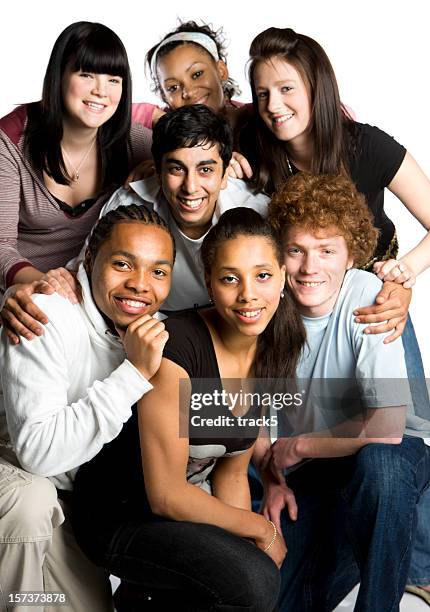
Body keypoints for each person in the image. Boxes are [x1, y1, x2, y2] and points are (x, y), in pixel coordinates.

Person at [72, 207, 306, 611]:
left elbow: (232, 472)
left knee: (255, 572)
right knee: (252, 579)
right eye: (230, 278)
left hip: (180, 515)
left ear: (283, 276)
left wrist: (250, 546)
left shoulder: (275, 347)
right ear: (209, 284)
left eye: (263, 275)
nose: (249, 293)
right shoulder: (178, 348)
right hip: (121, 517)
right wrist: (260, 529)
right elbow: (165, 495)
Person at [261, 173, 430, 611]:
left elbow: (389, 425)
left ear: (351, 254)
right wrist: (270, 473)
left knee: (381, 466)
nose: (309, 267)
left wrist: (300, 445)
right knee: (284, 600)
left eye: (326, 251)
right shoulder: (263, 300)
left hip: (382, 461)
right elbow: (248, 413)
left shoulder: (370, 297)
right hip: (313, 476)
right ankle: (361, 545)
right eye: (295, 250)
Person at [0, 205, 174, 611]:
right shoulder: (46, 313)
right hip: (16, 479)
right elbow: (38, 454)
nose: (140, 285)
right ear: (90, 259)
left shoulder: (154, 332)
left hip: (66, 501)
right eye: (122, 264)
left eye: (158, 272)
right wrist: (132, 375)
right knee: (32, 503)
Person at [2, 104, 268, 329]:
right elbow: (86, 276)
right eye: (176, 168)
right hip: (146, 323)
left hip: (230, 326)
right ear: (158, 171)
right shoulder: (129, 203)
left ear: (224, 176)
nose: (191, 186)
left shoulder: (255, 212)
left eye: (206, 170)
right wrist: (38, 292)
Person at [0, 21, 152, 314]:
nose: (101, 91)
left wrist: (227, 161)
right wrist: (44, 284)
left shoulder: (132, 141)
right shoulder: (11, 140)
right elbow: (1, 245)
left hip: (91, 294)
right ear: (59, 76)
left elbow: (190, 158)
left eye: (113, 80)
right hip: (20, 288)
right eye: (86, 75)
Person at [130, 20, 252, 181]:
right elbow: (111, 108)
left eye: (197, 74)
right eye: (173, 87)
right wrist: (158, 118)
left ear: (221, 70)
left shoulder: (252, 116)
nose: (188, 92)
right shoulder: (166, 125)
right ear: (164, 97)